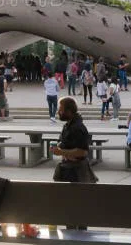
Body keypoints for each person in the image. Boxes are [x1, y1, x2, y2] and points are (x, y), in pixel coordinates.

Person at [51, 96, 97, 230]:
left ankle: (80, 237)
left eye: (61, 110)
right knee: (68, 206)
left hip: (77, 172)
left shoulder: (78, 127)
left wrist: (62, 153)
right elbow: (64, 143)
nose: (58, 112)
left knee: (78, 206)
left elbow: (82, 152)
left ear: (69, 111)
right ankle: (71, 234)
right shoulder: (68, 125)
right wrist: (60, 149)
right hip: (68, 169)